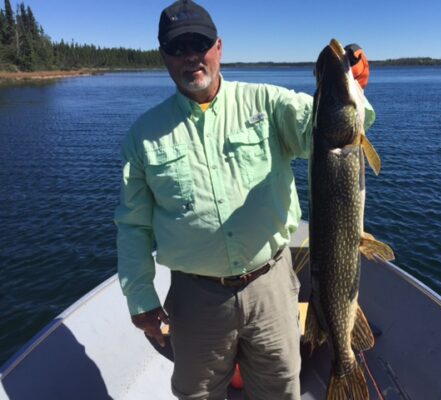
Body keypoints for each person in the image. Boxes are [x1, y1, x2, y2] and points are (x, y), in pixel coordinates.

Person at [114, 1, 375, 398]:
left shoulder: (268, 103)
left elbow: (334, 127)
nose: (191, 56)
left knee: (279, 390)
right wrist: (141, 298)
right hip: (195, 297)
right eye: (178, 47)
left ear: (218, 47)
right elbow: (133, 225)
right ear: (164, 56)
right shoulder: (143, 135)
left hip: (271, 286)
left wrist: (353, 86)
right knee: (198, 394)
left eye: (199, 44)